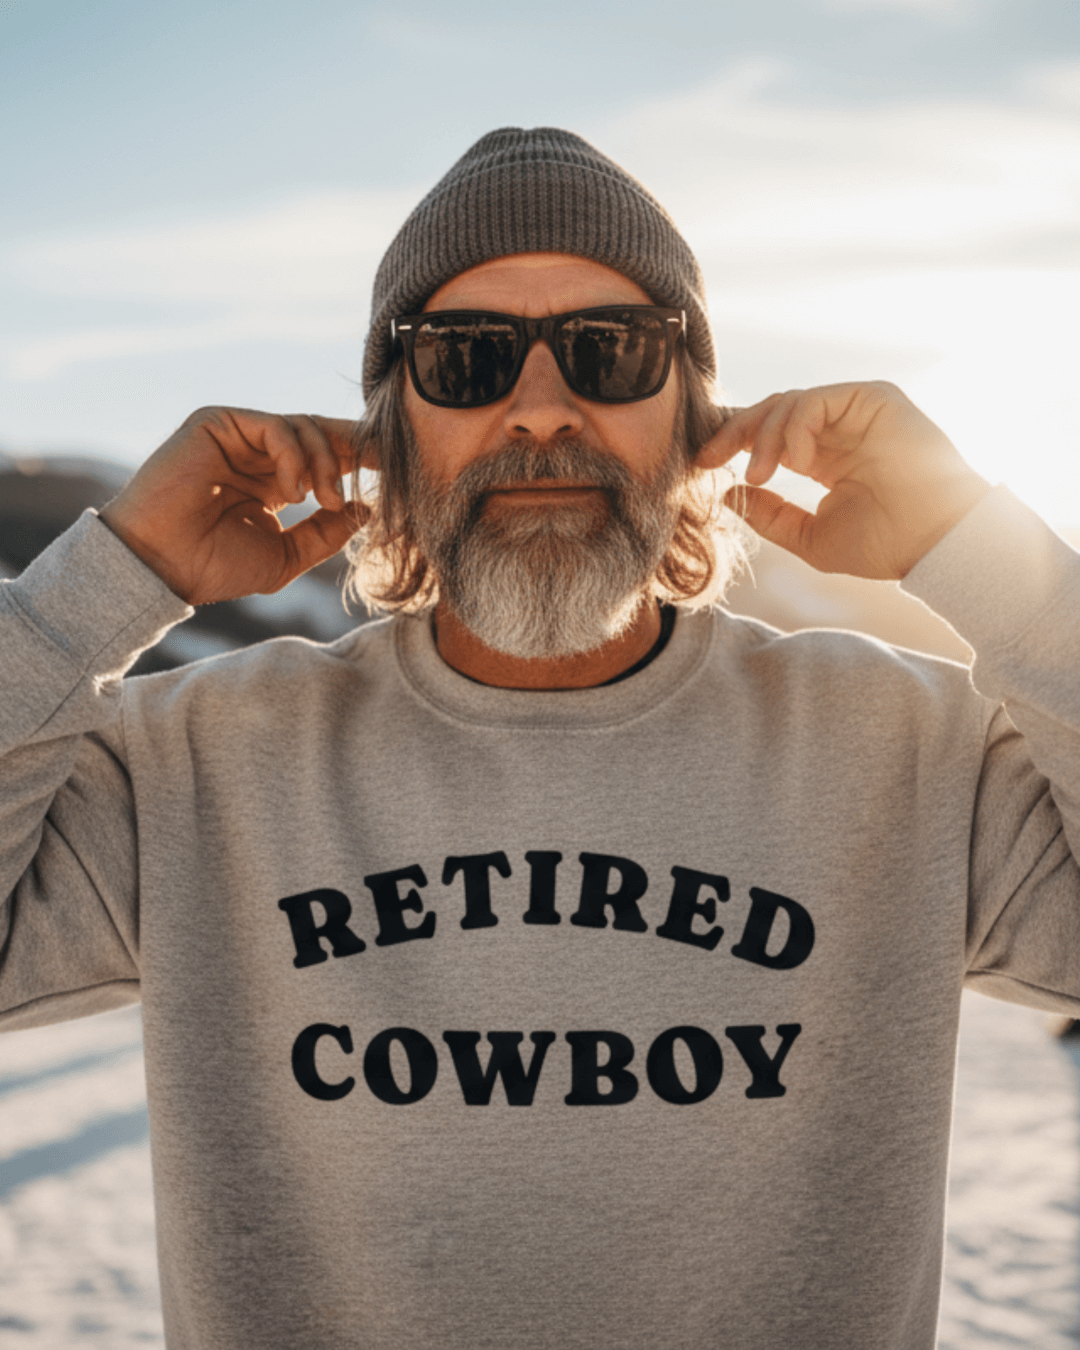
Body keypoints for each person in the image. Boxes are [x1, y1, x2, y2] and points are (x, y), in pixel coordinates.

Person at [1, 126, 1078, 1350]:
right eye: (467, 361)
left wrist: (974, 543)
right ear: (391, 434)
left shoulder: (911, 749)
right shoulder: (191, 763)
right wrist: (109, 578)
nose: (541, 412)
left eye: (612, 352)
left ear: (698, 420)